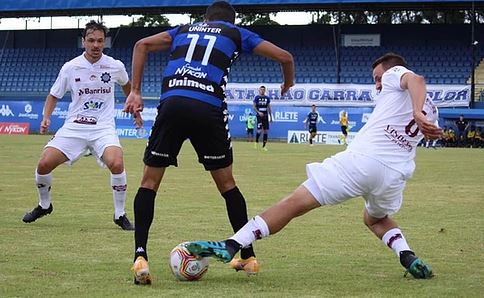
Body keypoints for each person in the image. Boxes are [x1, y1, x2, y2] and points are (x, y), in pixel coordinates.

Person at [185, 53, 442, 279]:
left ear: (391, 70)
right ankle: (407, 256)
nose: (377, 83)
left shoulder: (395, 75)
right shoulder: (432, 109)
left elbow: (416, 79)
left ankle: (231, 244)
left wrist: (416, 111)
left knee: (293, 203)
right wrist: (421, 114)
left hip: (360, 162)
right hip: (394, 176)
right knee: (375, 219)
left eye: (377, 77)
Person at [123, 1, 294, 285]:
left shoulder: (183, 29)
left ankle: (140, 256)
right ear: (231, 20)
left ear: (205, 18)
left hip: (173, 103)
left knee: (149, 183)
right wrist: (288, 84)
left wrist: (136, 91)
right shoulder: (236, 33)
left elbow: (141, 44)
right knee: (227, 185)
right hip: (208, 107)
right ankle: (248, 257)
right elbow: (285, 57)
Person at [21, 21, 138, 231]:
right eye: (91, 40)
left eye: (100, 41)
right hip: (74, 127)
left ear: (105, 42)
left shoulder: (115, 66)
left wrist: (134, 109)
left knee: (117, 163)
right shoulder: (70, 67)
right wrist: (46, 117)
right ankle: (44, 205)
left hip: (103, 128)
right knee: (44, 164)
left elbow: (128, 87)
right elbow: (53, 95)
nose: (96, 45)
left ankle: (120, 214)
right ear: (83, 41)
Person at [253, 85, 272, 151]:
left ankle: (264, 146)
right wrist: (258, 112)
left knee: (266, 131)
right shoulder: (257, 97)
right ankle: (256, 141)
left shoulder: (267, 98)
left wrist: (271, 117)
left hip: (265, 116)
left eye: (263, 90)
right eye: (261, 89)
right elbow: (254, 107)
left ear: (265, 90)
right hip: (259, 116)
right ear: (259, 90)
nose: (262, 91)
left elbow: (269, 107)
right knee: (259, 130)